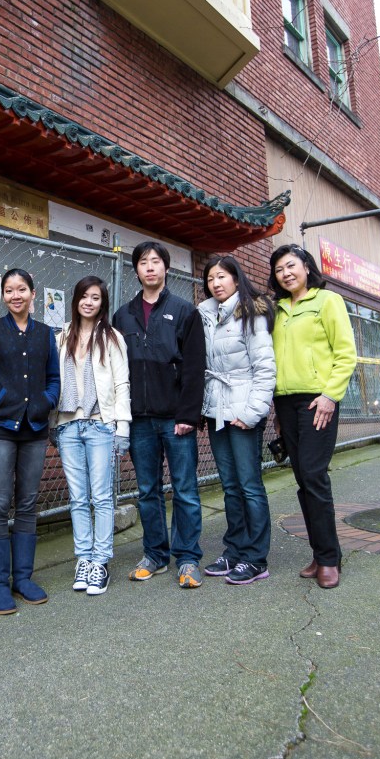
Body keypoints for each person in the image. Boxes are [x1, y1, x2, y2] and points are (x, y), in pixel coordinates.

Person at [113, 240, 206, 588]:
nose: (150, 267)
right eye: (143, 262)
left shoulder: (185, 311)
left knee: (184, 488)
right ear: (136, 270)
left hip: (175, 418)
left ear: (166, 268)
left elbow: (196, 368)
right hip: (138, 419)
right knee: (147, 490)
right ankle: (154, 554)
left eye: (156, 261)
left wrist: (189, 415)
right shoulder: (123, 315)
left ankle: (188, 557)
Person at [0, 269, 60, 615]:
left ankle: (23, 579)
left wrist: (44, 401)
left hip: (35, 429)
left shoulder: (45, 334)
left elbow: (54, 378)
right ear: (3, 296)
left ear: (33, 293)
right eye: (8, 290)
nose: (15, 295)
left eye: (21, 289)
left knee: (27, 502)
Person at [269, 244, 357, 589]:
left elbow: (345, 353)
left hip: (317, 401)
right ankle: (320, 552)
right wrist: (276, 409)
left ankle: (330, 559)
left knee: (314, 475)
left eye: (291, 266)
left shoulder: (326, 301)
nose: (286, 273)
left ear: (306, 267)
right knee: (303, 479)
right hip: (286, 403)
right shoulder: (276, 310)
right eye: (279, 270)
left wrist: (330, 396)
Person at [49, 276, 131, 596]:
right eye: (84, 296)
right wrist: (53, 423)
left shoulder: (112, 338)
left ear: (102, 303)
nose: (89, 302)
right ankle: (83, 558)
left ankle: (101, 560)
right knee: (78, 497)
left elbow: (122, 385)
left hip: (100, 425)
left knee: (101, 497)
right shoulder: (62, 337)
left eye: (95, 297)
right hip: (68, 425)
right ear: (76, 300)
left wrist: (121, 427)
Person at [198, 256, 276, 585]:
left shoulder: (251, 313)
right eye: (211, 279)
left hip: (244, 410)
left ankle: (255, 558)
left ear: (235, 279)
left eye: (222, 277)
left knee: (250, 486)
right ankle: (235, 549)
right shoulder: (205, 315)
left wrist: (252, 412)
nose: (216, 283)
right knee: (230, 486)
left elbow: (265, 368)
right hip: (217, 409)